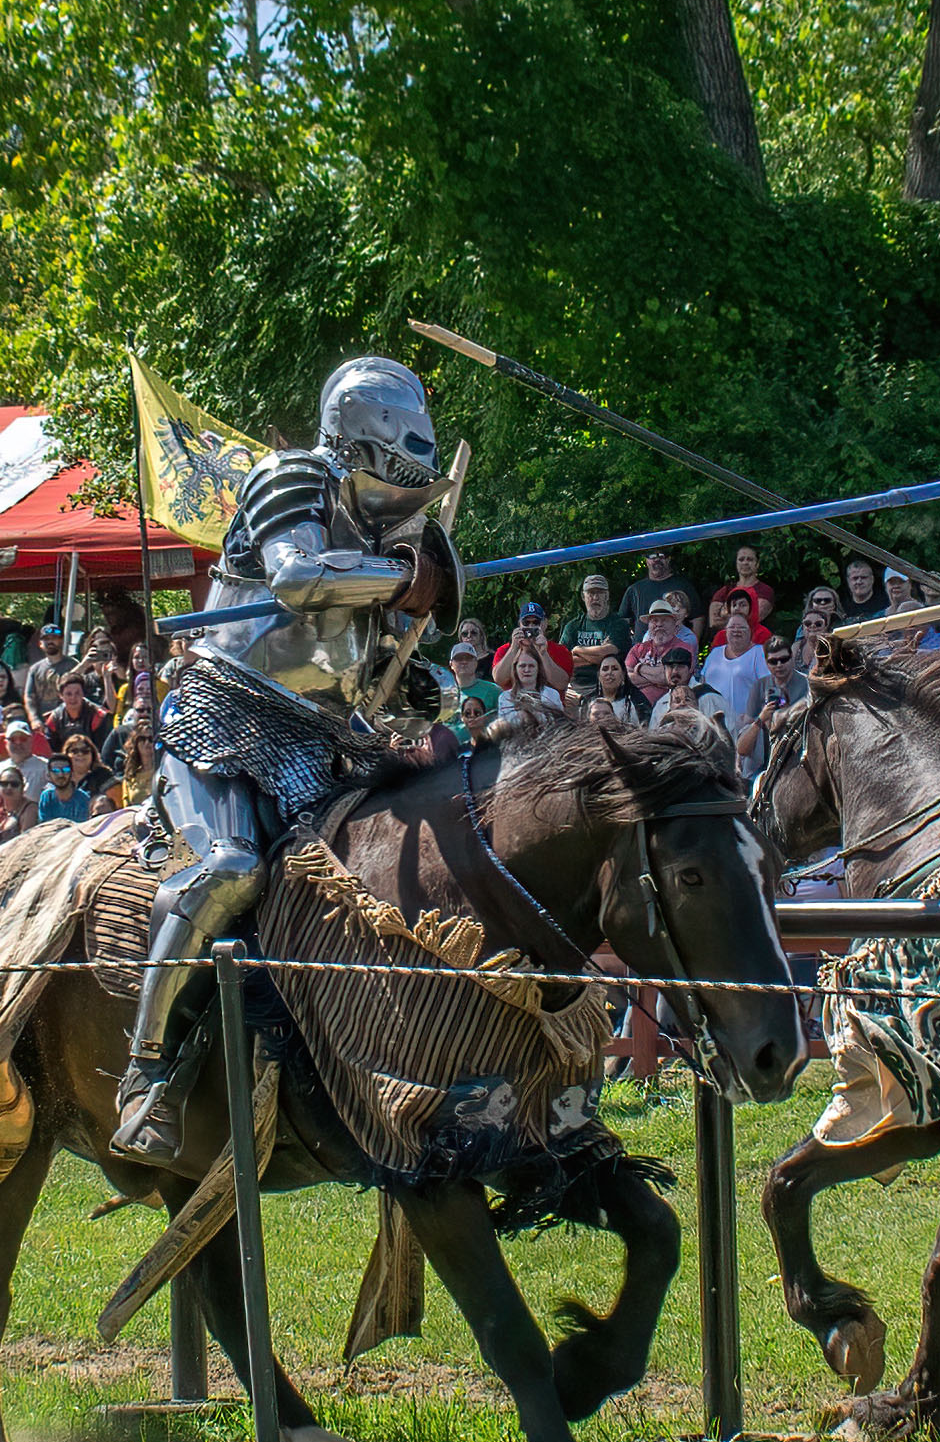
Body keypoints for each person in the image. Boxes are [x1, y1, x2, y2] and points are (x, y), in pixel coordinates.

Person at [114, 356, 460, 1163]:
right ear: (356, 445)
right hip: (226, 711)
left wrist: (412, 679)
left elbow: (366, 670)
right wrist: (406, 577)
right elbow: (300, 580)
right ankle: (144, 1075)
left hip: (326, 740)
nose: (401, 489)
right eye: (390, 466)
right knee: (229, 866)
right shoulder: (291, 476)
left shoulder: (393, 534)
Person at [734, 638, 810, 782]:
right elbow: (743, 746)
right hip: (762, 758)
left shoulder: (806, 685)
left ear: (792, 658)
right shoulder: (759, 686)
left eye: (784, 659)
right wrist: (762, 718)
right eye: (773, 661)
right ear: (767, 664)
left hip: (796, 751)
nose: (779, 665)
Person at [700, 612, 772, 736]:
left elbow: (768, 688)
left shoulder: (759, 653)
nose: (736, 631)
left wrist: (754, 717)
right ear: (725, 631)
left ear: (750, 631)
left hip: (745, 726)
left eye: (741, 627)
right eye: (732, 627)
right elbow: (702, 682)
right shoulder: (715, 653)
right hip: (712, 724)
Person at [561, 574, 633, 694]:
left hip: (610, 687)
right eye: (590, 593)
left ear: (607, 596)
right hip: (575, 687)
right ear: (583, 597)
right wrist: (600, 657)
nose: (595, 597)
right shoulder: (572, 626)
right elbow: (564, 660)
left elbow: (610, 651)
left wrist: (577, 649)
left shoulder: (618, 624)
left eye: (600, 593)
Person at [492, 601, 573, 691]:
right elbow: (499, 680)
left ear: (545, 624)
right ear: (520, 624)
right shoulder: (504, 650)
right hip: (515, 702)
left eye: (536, 622)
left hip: (548, 703)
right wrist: (513, 649)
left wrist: (543, 653)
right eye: (526, 623)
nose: (531, 627)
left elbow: (561, 684)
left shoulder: (560, 650)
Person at [616, 550, 702, 626]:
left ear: (668, 559)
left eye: (661, 556)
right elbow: (622, 622)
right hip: (641, 643)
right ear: (646, 561)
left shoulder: (684, 586)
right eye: (652, 557)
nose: (657, 560)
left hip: (677, 644)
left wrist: (692, 642)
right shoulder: (634, 589)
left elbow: (697, 618)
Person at [646, 649, 723, 729]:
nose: (675, 671)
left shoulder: (709, 698)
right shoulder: (661, 704)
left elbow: (724, 733)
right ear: (664, 670)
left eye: (680, 667)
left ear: (690, 669)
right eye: (670, 667)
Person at [709, 545, 777, 629]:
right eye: (741, 559)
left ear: (757, 564)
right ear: (736, 564)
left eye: (750, 559)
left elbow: (754, 618)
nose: (745, 563)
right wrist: (742, 616)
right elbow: (714, 622)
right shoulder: (724, 591)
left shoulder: (765, 591)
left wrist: (726, 614)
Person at [0, 765, 39, 851]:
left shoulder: (30, 809)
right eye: (4, 784)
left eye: (14, 784)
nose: (9, 788)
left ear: (23, 787)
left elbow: (24, 844)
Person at [37, 752, 92, 824]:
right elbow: (45, 826)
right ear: (48, 775)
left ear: (72, 773)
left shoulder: (83, 799)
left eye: (66, 770)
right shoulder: (47, 797)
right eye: (55, 771)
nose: (61, 775)